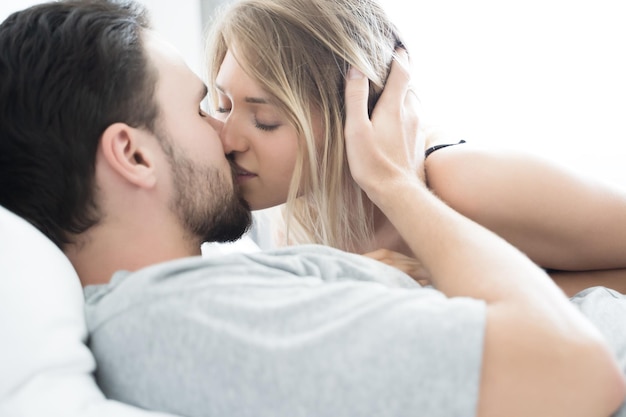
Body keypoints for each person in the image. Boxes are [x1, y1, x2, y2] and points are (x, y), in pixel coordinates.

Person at [0, 1, 624, 417]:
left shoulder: (453, 184)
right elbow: (573, 375)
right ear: (134, 156)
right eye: (206, 106)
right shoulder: (178, 314)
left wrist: (400, 209)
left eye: (262, 117)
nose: (225, 134)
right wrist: (404, 210)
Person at [205, 0, 626, 295]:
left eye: (266, 121)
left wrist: (448, 287)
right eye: (223, 106)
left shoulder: (462, 183)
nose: (227, 138)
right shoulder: (295, 221)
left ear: (358, 116)